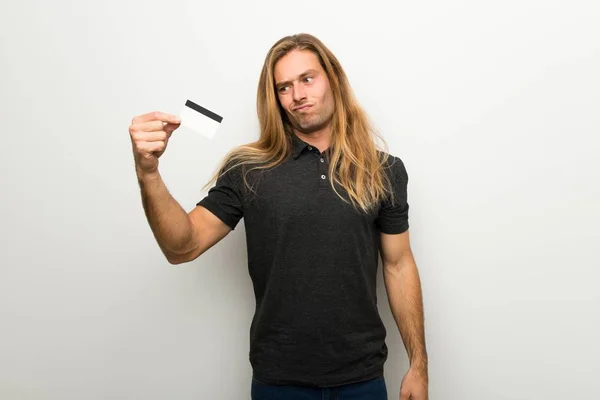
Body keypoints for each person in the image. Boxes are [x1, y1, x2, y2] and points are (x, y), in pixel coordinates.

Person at [128, 33, 428, 400]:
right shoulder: (249, 169)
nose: (297, 95)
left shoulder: (384, 170)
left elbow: (398, 265)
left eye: (307, 79)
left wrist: (418, 365)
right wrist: (149, 173)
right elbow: (182, 246)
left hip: (363, 378)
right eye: (284, 87)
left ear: (333, 78)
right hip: (279, 381)